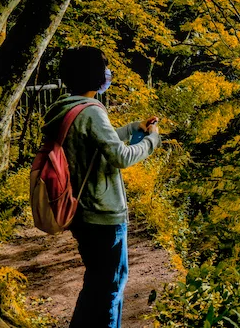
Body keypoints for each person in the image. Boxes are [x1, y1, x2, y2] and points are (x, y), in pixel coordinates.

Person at [42, 46, 161, 328]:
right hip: (103, 214)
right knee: (111, 288)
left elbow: (91, 145)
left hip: (79, 209)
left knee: (95, 283)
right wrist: (152, 140)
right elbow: (119, 157)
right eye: (104, 68)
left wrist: (133, 128)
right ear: (96, 76)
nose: (108, 73)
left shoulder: (65, 108)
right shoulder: (92, 111)